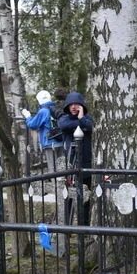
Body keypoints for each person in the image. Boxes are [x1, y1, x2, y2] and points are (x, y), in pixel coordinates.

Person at [56, 91, 95, 225]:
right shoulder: (64, 119)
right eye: (71, 104)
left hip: (86, 163)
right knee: (68, 196)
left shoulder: (87, 119)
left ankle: (84, 227)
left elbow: (89, 126)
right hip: (70, 164)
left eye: (77, 104)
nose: (74, 107)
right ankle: (66, 227)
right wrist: (80, 122)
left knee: (85, 197)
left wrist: (81, 117)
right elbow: (64, 126)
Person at [22, 90, 58, 165]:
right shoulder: (56, 108)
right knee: (62, 166)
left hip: (49, 142)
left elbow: (32, 125)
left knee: (53, 168)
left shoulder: (43, 111)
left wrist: (28, 116)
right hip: (60, 141)